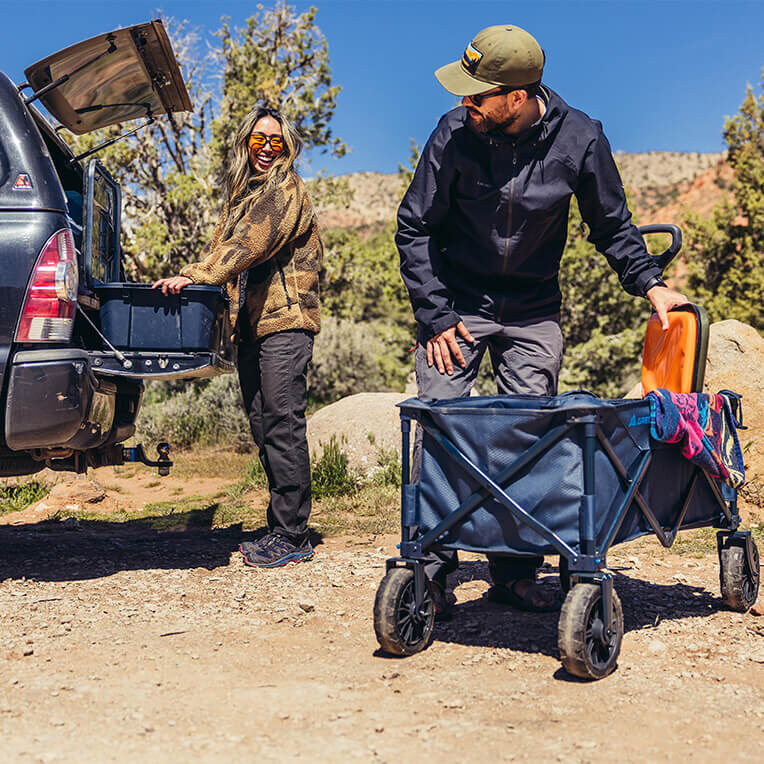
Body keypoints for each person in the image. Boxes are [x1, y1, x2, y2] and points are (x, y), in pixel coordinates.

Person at [396, 25, 689, 614]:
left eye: (477, 94)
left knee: (528, 436)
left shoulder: (580, 138)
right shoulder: (453, 133)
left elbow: (612, 225)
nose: (465, 102)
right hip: (458, 307)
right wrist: (435, 315)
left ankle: (515, 570)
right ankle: (429, 569)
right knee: (442, 425)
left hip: (533, 311)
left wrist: (651, 285)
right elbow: (415, 226)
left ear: (517, 96)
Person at [153, 106, 322, 568]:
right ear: (245, 144)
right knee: (263, 424)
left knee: (282, 422)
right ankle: (281, 525)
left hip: (286, 321)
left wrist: (196, 275)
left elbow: (249, 244)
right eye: (258, 140)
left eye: (276, 141)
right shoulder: (244, 196)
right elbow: (230, 247)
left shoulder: (285, 190)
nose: (266, 149)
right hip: (253, 327)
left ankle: (293, 534)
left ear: (287, 147)